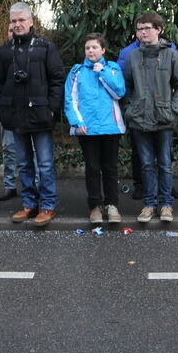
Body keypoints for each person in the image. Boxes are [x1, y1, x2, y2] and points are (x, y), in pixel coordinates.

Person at [0, 2, 65, 227]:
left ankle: (48, 205)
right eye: (14, 21)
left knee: (44, 163)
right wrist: (2, 107)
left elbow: (57, 79)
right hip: (15, 117)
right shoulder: (3, 52)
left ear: (31, 21)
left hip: (41, 115)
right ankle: (29, 204)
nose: (17, 24)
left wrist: (52, 107)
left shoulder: (45, 47)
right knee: (24, 163)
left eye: (21, 20)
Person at [122, 15, 178, 223]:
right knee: (146, 165)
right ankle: (149, 204)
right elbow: (126, 87)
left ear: (159, 29)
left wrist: (173, 110)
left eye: (147, 28)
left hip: (163, 119)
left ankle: (166, 204)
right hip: (139, 119)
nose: (142, 32)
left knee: (165, 164)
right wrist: (130, 110)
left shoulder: (171, 55)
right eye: (139, 29)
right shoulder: (132, 57)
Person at [64, 33, 127, 223]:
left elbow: (119, 92)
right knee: (92, 168)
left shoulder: (112, 68)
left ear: (103, 50)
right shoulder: (77, 71)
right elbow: (70, 99)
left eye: (94, 47)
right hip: (87, 129)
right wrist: (77, 122)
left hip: (110, 128)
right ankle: (95, 206)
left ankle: (112, 205)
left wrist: (103, 72)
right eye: (87, 48)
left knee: (110, 168)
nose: (90, 51)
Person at [0, 24, 20, 202]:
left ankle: (35, 185)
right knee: (9, 149)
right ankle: (10, 186)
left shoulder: (35, 48)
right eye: (10, 30)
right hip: (7, 109)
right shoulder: (0, 53)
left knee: (33, 152)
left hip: (29, 109)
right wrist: (0, 103)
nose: (13, 33)